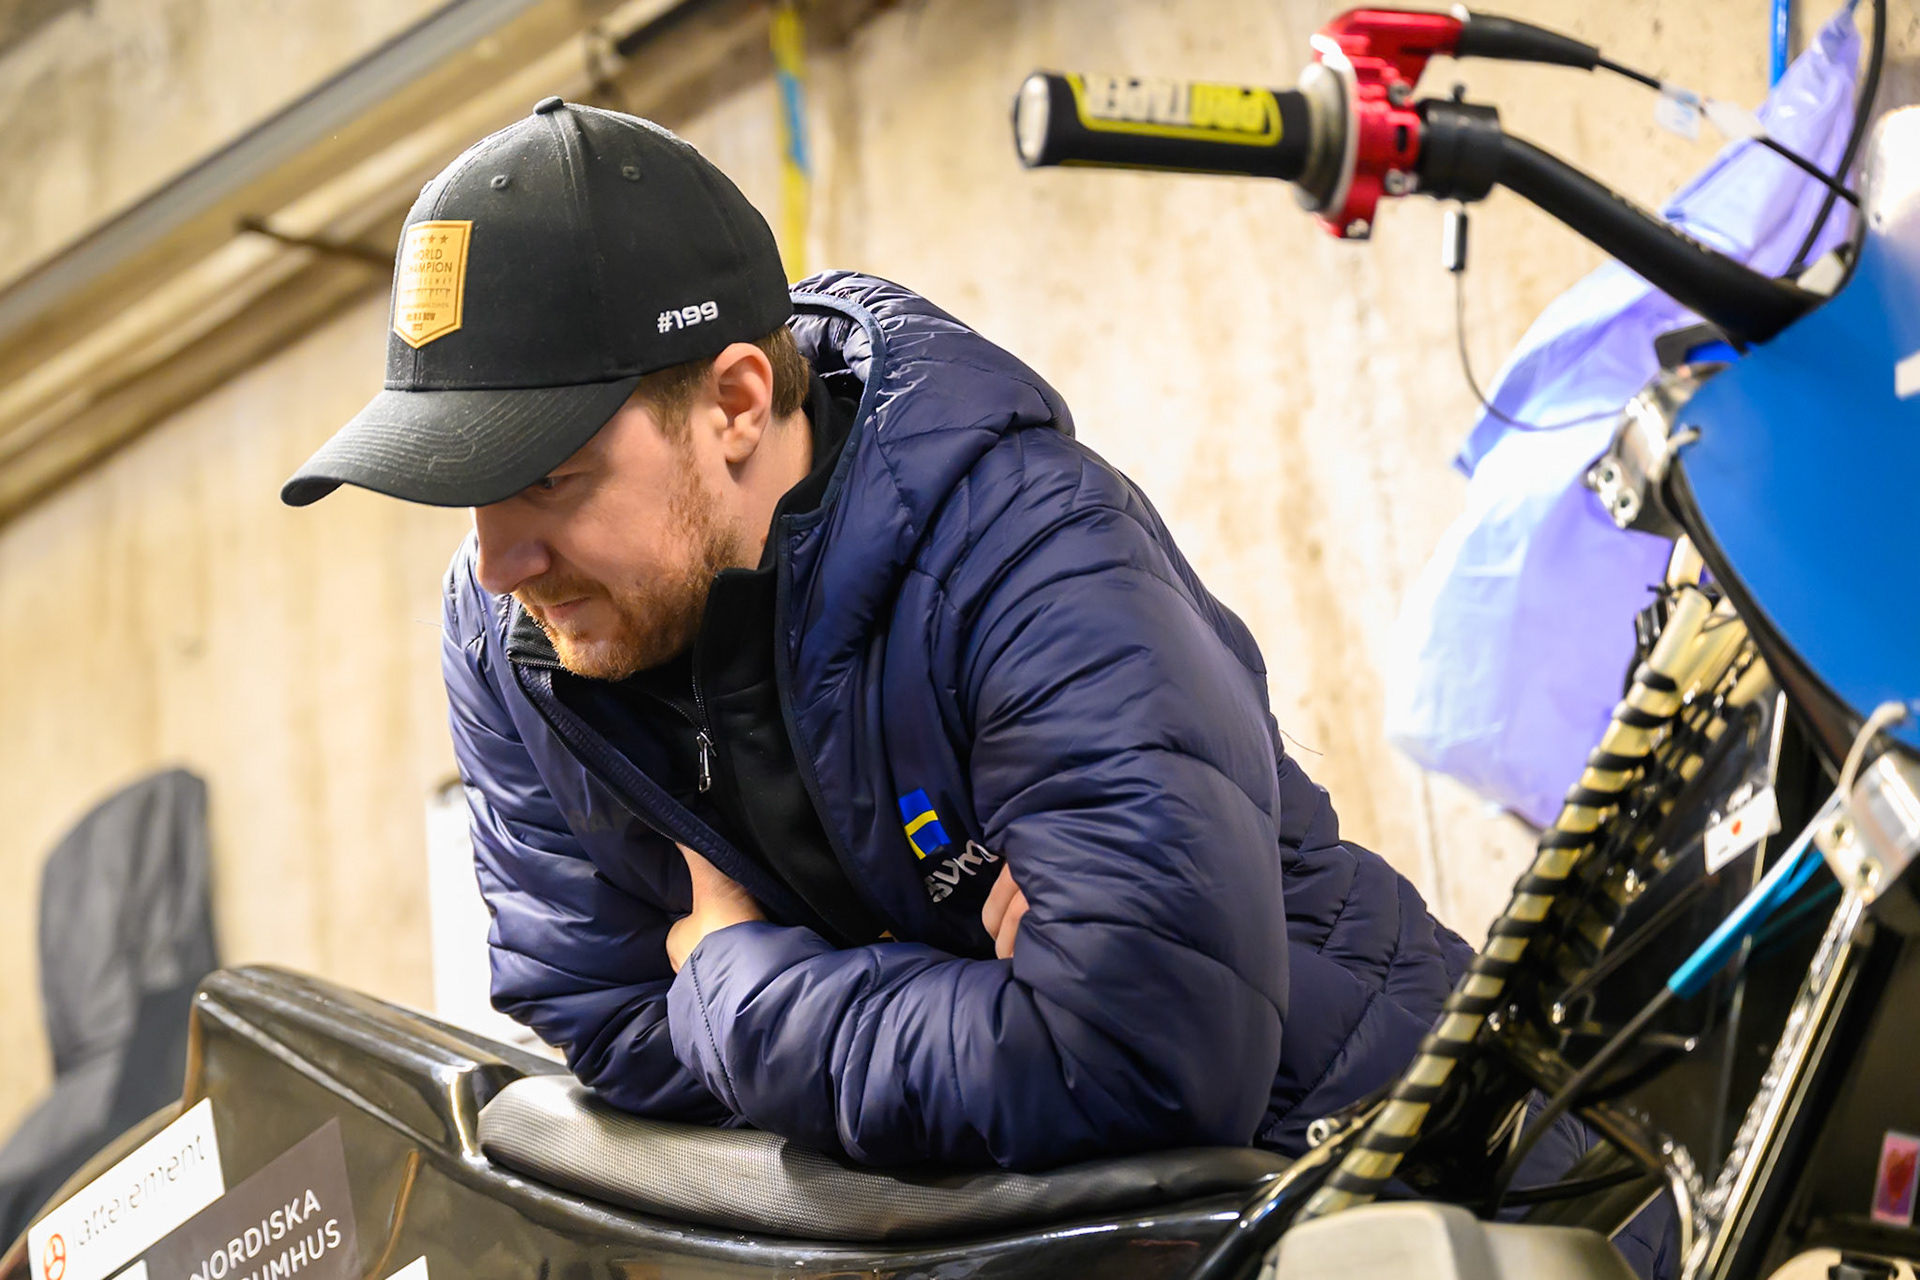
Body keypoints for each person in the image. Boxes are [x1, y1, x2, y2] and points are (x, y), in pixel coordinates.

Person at [281, 97, 1472, 1171]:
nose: (499, 560)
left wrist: (737, 980)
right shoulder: (508, 636)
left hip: (1418, 1181)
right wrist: (969, 1003)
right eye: (465, 492)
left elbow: (1139, 1061)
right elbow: (601, 1021)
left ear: (738, 402)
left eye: (549, 477)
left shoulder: (1020, 542)